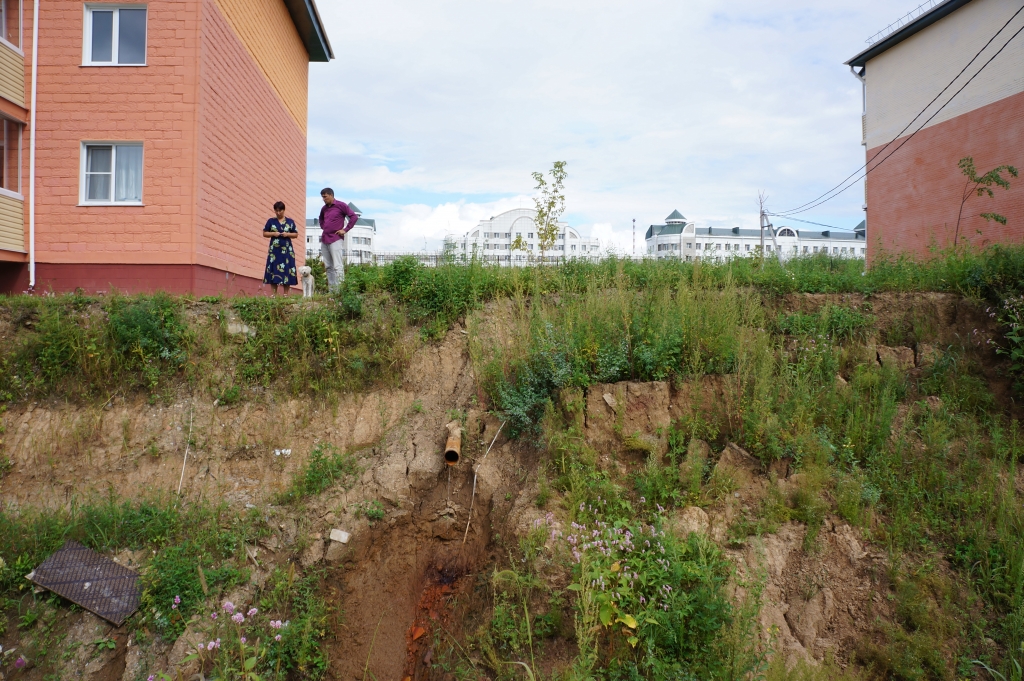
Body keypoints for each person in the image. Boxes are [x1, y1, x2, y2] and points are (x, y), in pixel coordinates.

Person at [318, 188, 359, 290]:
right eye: (322, 197)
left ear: (331, 195)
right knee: (328, 267)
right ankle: (332, 291)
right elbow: (321, 218)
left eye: (325, 197)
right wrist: (324, 226)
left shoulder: (341, 205)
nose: (323, 199)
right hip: (325, 239)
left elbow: (353, 217)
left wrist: (345, 230)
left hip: (336, 238)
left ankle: (341, 290)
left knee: (337, 266)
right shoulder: (324, 208)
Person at [263, 201, 299, 296]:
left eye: (280, 210)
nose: (278, 213)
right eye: (276, 211)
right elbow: (264, 233)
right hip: (274, 251)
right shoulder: (271, 221)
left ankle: (286, 294)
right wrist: (273, 233)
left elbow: (296, 234)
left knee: (287, 269)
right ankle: (274, 294)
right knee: (273, 269)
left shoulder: (290, 222)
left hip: (287, 250)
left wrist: (287, 234)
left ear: (284, 210)